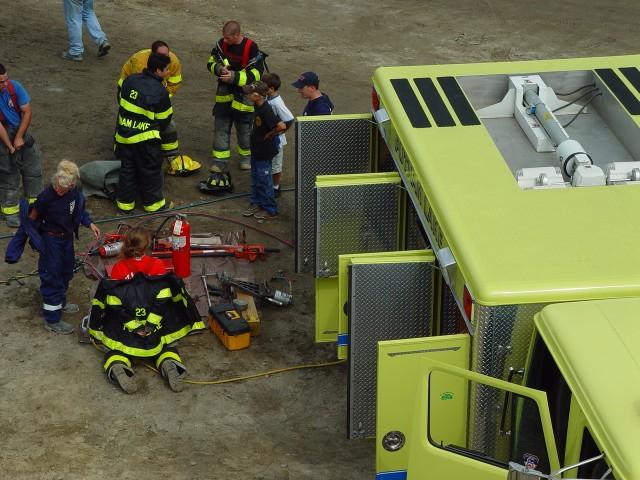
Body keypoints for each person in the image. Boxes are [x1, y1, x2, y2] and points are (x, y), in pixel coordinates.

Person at [89, 227, 204, 393]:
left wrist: (135, 326)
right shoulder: (157, 265)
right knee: (166, 348)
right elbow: (163, 300)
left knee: (116, 351)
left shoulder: (118, 268)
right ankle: (169, 365)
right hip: (155, 327)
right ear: (147, 247)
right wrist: (149, 325)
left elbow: (114, 304)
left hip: (127, 328)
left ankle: (118, 367)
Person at [29, 160, 100, 334]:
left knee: (66, 271)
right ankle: (52, 319)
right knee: (52, 274)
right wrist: (35, 239)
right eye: (61, 186)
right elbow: (32, 217)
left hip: (66, 239)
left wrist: (89, 223)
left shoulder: (74, 192)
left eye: (67, 186)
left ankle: (60, 302)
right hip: (51, 241)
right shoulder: (46, 197)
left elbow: (79, 211)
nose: (62, 190)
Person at [115, 53, 173, 213]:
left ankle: (125, 204)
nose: (168, 72)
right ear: (158, 70)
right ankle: (153, 205)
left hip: (124, 136)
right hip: (146, 141)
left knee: (127, 170)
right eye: (166, 69)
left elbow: (120, 98)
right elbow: (165, 119)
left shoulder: (130, 80)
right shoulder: (160, 92)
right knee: (150, 172)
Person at [207, 20, 264, 182]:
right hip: (224, 97)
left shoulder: (251, 48)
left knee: (244, 130)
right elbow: (211, 62)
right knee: (221, 128)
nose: (225, 41)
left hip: (244, 99)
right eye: (223, 38)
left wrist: (233, 77)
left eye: (228, 38)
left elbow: (256, 74)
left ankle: (246, 159)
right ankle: (219, 161)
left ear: (237, 35)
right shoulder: (221, 45)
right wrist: (219, 69)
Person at [119, 40, 182, 160]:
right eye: (161, 56)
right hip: (129, 93)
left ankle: (170, 154)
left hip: (151, 94)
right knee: (132, 119)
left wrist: (162, 99)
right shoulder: (139, 63)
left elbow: (174, 83)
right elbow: (139, 92)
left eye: (167, 55)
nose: (166, 58)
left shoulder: (172, 61)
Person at [0, 64, 43, 228]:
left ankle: (36, 207)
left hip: (20, 132)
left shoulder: (14, 87)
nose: (4, 85)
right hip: (3, 136)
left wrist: (19, 137)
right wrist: (10, 148)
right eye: (1, 82)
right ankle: (10, 211)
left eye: (6, 80)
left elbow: (27, 112)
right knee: (8, 173)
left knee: (33, 169)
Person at [241, 81, 286, 221]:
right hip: (256, 150)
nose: (248, 95)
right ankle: (256, 203)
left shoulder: (266, 110)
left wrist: (270, 135)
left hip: (263, 153)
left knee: (264, 181)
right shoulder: (257, 106)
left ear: (259, 96)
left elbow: (282, 125)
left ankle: (270, 209)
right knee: (255, 179)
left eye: (251, 93)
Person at [263, 73, 294, 198]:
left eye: (264, 87)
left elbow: (289, 119)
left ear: (271, 89)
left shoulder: (277, 102)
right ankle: (269, 184)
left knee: (276, 165)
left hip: (276, 140)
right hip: (268, 138)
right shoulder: (267, 98)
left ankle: (275, 187)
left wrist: (278, 133)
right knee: (269, 163)